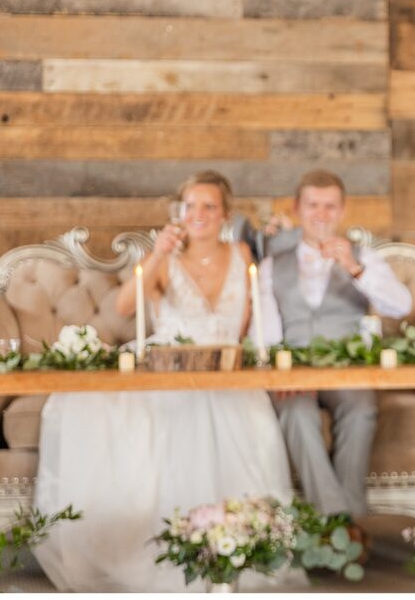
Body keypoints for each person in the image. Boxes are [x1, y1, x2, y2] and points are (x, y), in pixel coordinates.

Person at [33, 171, 305, 592]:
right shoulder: (164, 260)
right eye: (190, 206)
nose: (198, 214)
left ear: (225, 214)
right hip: (171, 371)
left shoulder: (242, 256)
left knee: (244, 419)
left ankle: (238, 546)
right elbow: (124, 306)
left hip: (229, 373)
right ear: (178, 213)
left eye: (209, 206)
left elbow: (251, 324)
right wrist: (157, 254)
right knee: (166, 416)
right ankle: (178, 546)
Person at [259, 169, 412, 517]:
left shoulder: (363, 257)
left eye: (330, 207)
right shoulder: (273, 264)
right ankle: (338, 522)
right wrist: (283, 377)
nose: (322, 215)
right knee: (296, 414)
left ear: (342, 211)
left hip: (348, 370)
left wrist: (355, 269)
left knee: (361, 410)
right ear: (297, 208)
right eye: (313, 205)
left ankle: (343, 523)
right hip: (294, 371)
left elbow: (401, 306)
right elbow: (267, 330)